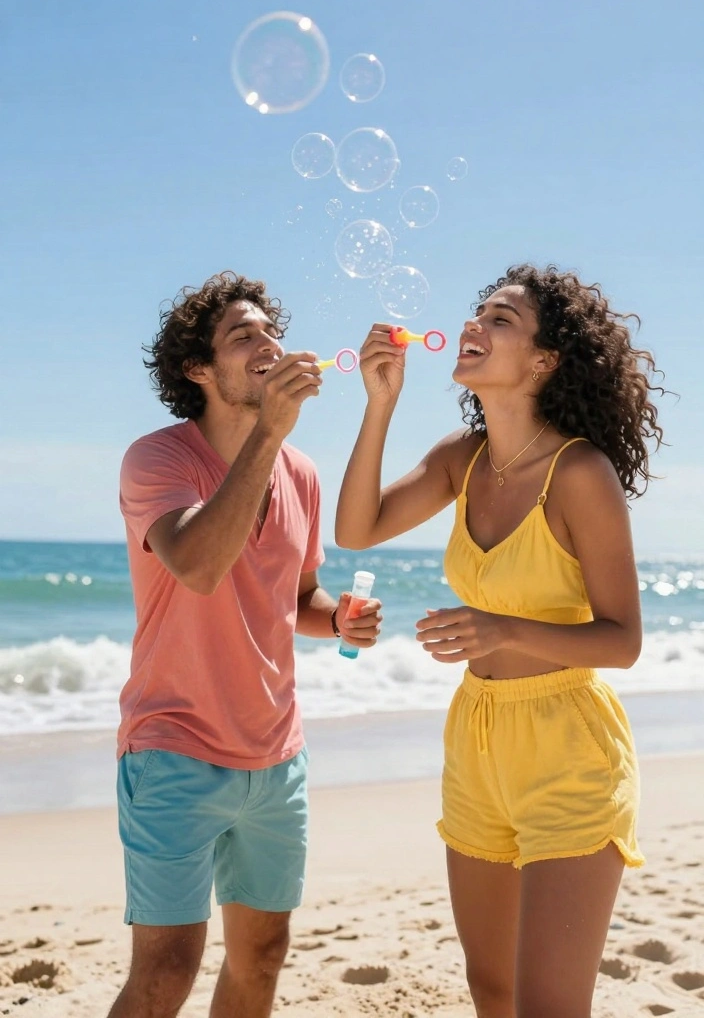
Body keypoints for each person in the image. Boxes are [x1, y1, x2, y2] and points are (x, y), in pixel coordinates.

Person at [335, 264, 664, 1018]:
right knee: (492, 991)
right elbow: (356, 530)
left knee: (549, 1003)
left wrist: (500, 629)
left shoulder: (580, 473)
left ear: (545, 361)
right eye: (477, 312)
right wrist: (380, 406)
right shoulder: (464, 456)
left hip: (568, 750)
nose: (476, 326)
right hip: (476, 741)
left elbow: (623, 642)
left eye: (502, 319)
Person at [110, 271, 382, 1018]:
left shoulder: (301, 472)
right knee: (167, 971)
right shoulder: (157, 460)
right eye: (243, 336)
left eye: (270, 332)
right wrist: (269, 432)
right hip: (173, 748)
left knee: (262, 958)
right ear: (199, 370)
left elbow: (295, 598)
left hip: (277, 757)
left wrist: (339, 619)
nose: (267, 344)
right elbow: (199, 565)